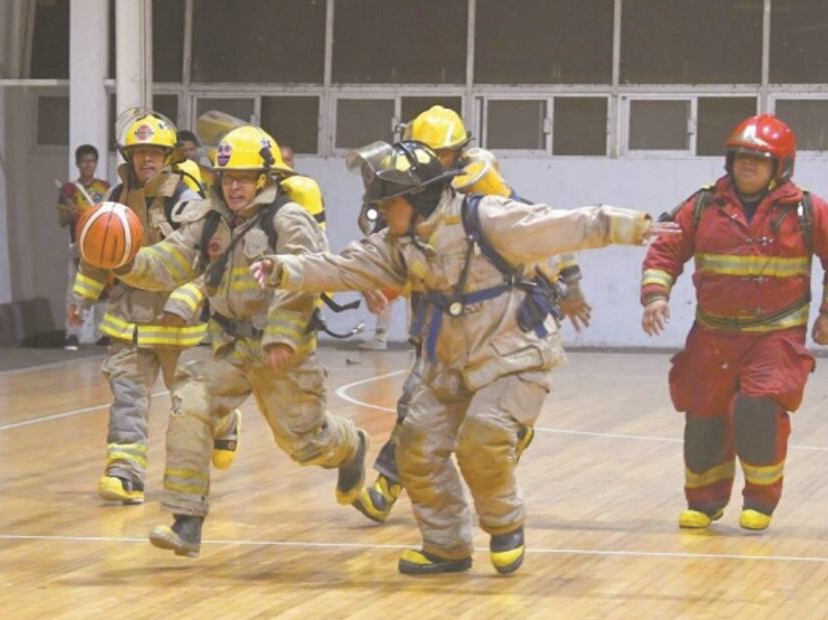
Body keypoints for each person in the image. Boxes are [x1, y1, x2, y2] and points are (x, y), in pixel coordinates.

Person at [251, 140, 677, 575]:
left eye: (386, 203)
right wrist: (285, 269)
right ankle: (446, 546)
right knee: (415, 450)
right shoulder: (398, 242)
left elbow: (561, 226)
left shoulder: (486, 217)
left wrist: (630, 226)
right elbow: (342, 268)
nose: (378, 213)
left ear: (416, 199)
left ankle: (504, 522)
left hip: (514, 356)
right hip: (448, 362)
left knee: (482, 438)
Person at [99, 125, 366, 557]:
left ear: (265, 179)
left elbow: (301, 283)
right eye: (227, 177)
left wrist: (282, 337)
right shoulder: (206, 218)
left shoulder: (289, 220)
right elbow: (171, 260)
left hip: (283, 352)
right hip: (225, 345)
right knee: (189, 406)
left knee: (304, 442)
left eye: (243, 177)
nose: (234, 186)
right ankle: (186, 521)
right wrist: (126, 260)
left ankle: (352, 445)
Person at [351, 105, 591, 524]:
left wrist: (570, 285)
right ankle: (388, 488)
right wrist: (381, 285)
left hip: (494, 322)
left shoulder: (484, 187)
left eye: (438, 153)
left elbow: (545, 229)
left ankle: (505, 442)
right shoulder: (403, 183)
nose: (427, 160)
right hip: (438, 317)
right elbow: (392, 250)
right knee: (416, 404)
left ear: (458, 153)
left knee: (463, 409)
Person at [641, 113, 828, 531]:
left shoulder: (807, 210)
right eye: (740, 157)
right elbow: (664, 251)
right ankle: (704, 503)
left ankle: (760, 501)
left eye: (759, 160)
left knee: (758, 410)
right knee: (704, 418)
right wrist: (655, 296)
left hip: (774, 338)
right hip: (712, 337)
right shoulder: (703, 205)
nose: (747, 165)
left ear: (781, 167)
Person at [69, 110, 240, 504]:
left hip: (180, 324)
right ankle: (125, 473)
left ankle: (226, 420)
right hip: (128, 320)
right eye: (140, 151)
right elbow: (94, 257)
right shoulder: (113, 200)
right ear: (128, 154)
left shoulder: (189, 202)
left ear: (169, 158)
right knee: (127, 396)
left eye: (156, 153)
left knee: (190, 404)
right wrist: (81, 300)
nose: (147, 159)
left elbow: (201, 258)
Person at [57, 144, 110, 350]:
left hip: (101, 244)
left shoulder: (105, 187)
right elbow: (61, 220)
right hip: (79, 244)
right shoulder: (68, 190)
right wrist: (70, 212)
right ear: (78, 164)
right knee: (75, 291)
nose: (89, 165)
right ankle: (72, 334)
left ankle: (103, 333)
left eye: (92, 161)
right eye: (85, 161)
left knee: (104, 290)